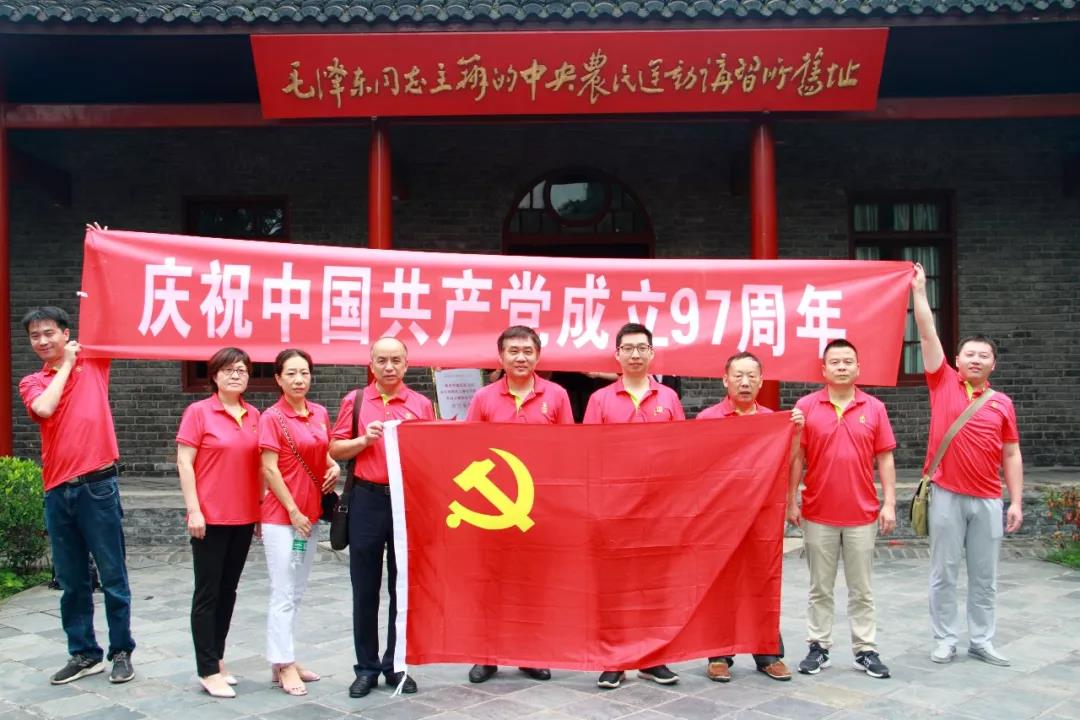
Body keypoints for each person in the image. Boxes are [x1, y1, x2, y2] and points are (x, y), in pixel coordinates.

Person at [911, 263, 1023, 666]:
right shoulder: (941, 382)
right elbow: (927, 332)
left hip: (989, 498)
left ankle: (982, 640)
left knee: (984, 576)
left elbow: (1011, 453)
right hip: (946, 494)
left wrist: (1016, 500)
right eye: (969, 354)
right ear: (956, 359)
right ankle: (944, 639)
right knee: (944, 573)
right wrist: (919, 291)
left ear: (994, 363)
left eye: (984, 355)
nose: (976, 359)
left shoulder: (1002, 403)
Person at [18, 305, 136, 686]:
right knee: (71, 580)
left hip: (98, 486)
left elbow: (115, 322)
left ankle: (121, 651)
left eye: (49, 332)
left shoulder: (94, 363)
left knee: (113, 575)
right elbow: (45, 407)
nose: (42, 340)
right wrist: (66, 365)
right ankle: (84, 653)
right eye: (35, 336)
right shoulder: (32, 382)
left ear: (66, 333)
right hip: (57, 490)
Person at [464, 325, 573, 684]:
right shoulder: (484, 398)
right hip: (493, 506)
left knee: (533, 581)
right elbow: (469, 448)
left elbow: (568, 449)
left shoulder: (556, 395)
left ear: (538, 356)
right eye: (513, 351)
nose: (521, 357)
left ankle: (530, 653)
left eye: (527, 351)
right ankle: (487, 655)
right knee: (490, 581)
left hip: (539, 505)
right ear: (501, 357)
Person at [329, 337, 434, 698]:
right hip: (367, 499)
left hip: (407, 502)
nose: (389, 367)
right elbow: (335, 447)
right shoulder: (356, 400)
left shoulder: (420, 404)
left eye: (396, 360)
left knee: (402, 587)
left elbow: (431, 455)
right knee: (365, 586)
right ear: (371, 364)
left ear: (407, 364)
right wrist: (364, 440)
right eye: (382, 360)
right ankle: (366, 668)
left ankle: (396, 665)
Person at [583, 322, 685, 689]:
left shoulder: (668, 398)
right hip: (614, 507)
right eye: (628, 348)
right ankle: (615, 659)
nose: (635, 354)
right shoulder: (600, 400)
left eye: (642, 348)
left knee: (654, 584)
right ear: (617, 355)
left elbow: (681, 450)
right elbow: (590, 454)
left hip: (658, 508)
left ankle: (652, 658)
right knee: (615, 584)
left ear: (652, 353)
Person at [787, 339, 896, 680]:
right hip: (818, 512)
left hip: (862, 513)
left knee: (861, 589)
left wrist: (889, 502)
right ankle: (818, 646)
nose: (842, 367)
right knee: (819, 587)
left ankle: (865, 649)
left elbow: (885, 457)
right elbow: (797, 458)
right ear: (824, 369)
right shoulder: (806, 406)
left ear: (858, 368)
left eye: (848, 361)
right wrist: (791, 499)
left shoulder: (874, 408)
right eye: (835, 362)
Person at [696, 351, 802, 683]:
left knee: (762, 579)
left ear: (761, 380)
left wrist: (796, 433)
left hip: (762, 514)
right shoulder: (708, 419)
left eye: (751, 376)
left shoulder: (773, 421)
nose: (745, 382)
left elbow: (789, 461)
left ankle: (768, 652)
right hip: (721, 516)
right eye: (738, 376)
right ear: (725, 380)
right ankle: (719, 654)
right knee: (722, 582)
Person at [176, 347, 261, 698]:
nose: (236, 375)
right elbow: (184, 462)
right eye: (228, 370)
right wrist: (194, 510)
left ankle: (219, 658)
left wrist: (260, 509)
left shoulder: (254, 414)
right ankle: (207, 669)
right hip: (210, 518)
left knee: (228, 591)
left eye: (241, 370)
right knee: (207, 593)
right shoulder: (198, 412)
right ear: (214, 375)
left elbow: (259, 466)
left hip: (244, 516)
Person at [259, 348, 341, 697]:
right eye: (291, 373)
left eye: (304, 373)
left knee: (296, 590)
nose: (298, 380)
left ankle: (285, 657)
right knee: (283, 591)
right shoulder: (272, 417)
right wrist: (292, 510)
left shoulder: (319, 413)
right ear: (278, 378)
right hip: (283, 518)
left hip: (311, 514)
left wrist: (334, 467)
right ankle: (283, 664)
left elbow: (325, 452)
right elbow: (269, 468)